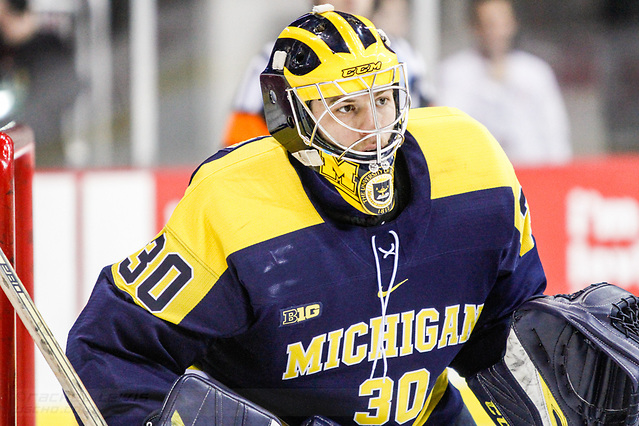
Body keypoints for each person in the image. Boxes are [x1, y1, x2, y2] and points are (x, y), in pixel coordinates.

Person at [66, 4, 546, 425]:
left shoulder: (472, 167)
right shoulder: (235, 206)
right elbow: (113, 346)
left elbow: (506, 336)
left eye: (382, 101)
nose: (375, 130)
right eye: (347, 108)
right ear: (292, 118)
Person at [223, 0, 433, 147]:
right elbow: (240, 149)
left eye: (382, 101)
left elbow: (429, 130)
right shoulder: (276, 59)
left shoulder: (404, 56)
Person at [435, 0, 571, 167]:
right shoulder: (454, 72)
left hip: (534, 173)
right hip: (479, 177)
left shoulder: (535, 72)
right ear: (475, 28)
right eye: (490, 24)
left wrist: (560, 176)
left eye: (503, 23)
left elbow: (555, 133)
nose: (497, 32)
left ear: (513, 24)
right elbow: (450, 130)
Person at [0, 0, 81, 166]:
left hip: (44, 153)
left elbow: (69, 90)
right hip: (7, 158)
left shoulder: (49, 47)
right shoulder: (6, 50)